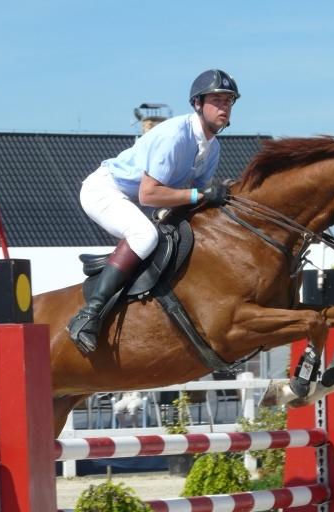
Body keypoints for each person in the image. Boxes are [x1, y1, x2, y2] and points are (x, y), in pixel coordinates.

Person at [67, 68, 240, 353]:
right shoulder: (175, 135)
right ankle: (88, 315)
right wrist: (200, 194)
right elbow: (149, 194)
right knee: (144, 236)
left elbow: (195, 200)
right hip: (105, 190)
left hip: (138, 200)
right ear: (198, 103)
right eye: (217, 100)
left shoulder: (213, 147)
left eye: (229, 100)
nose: (224, 107)